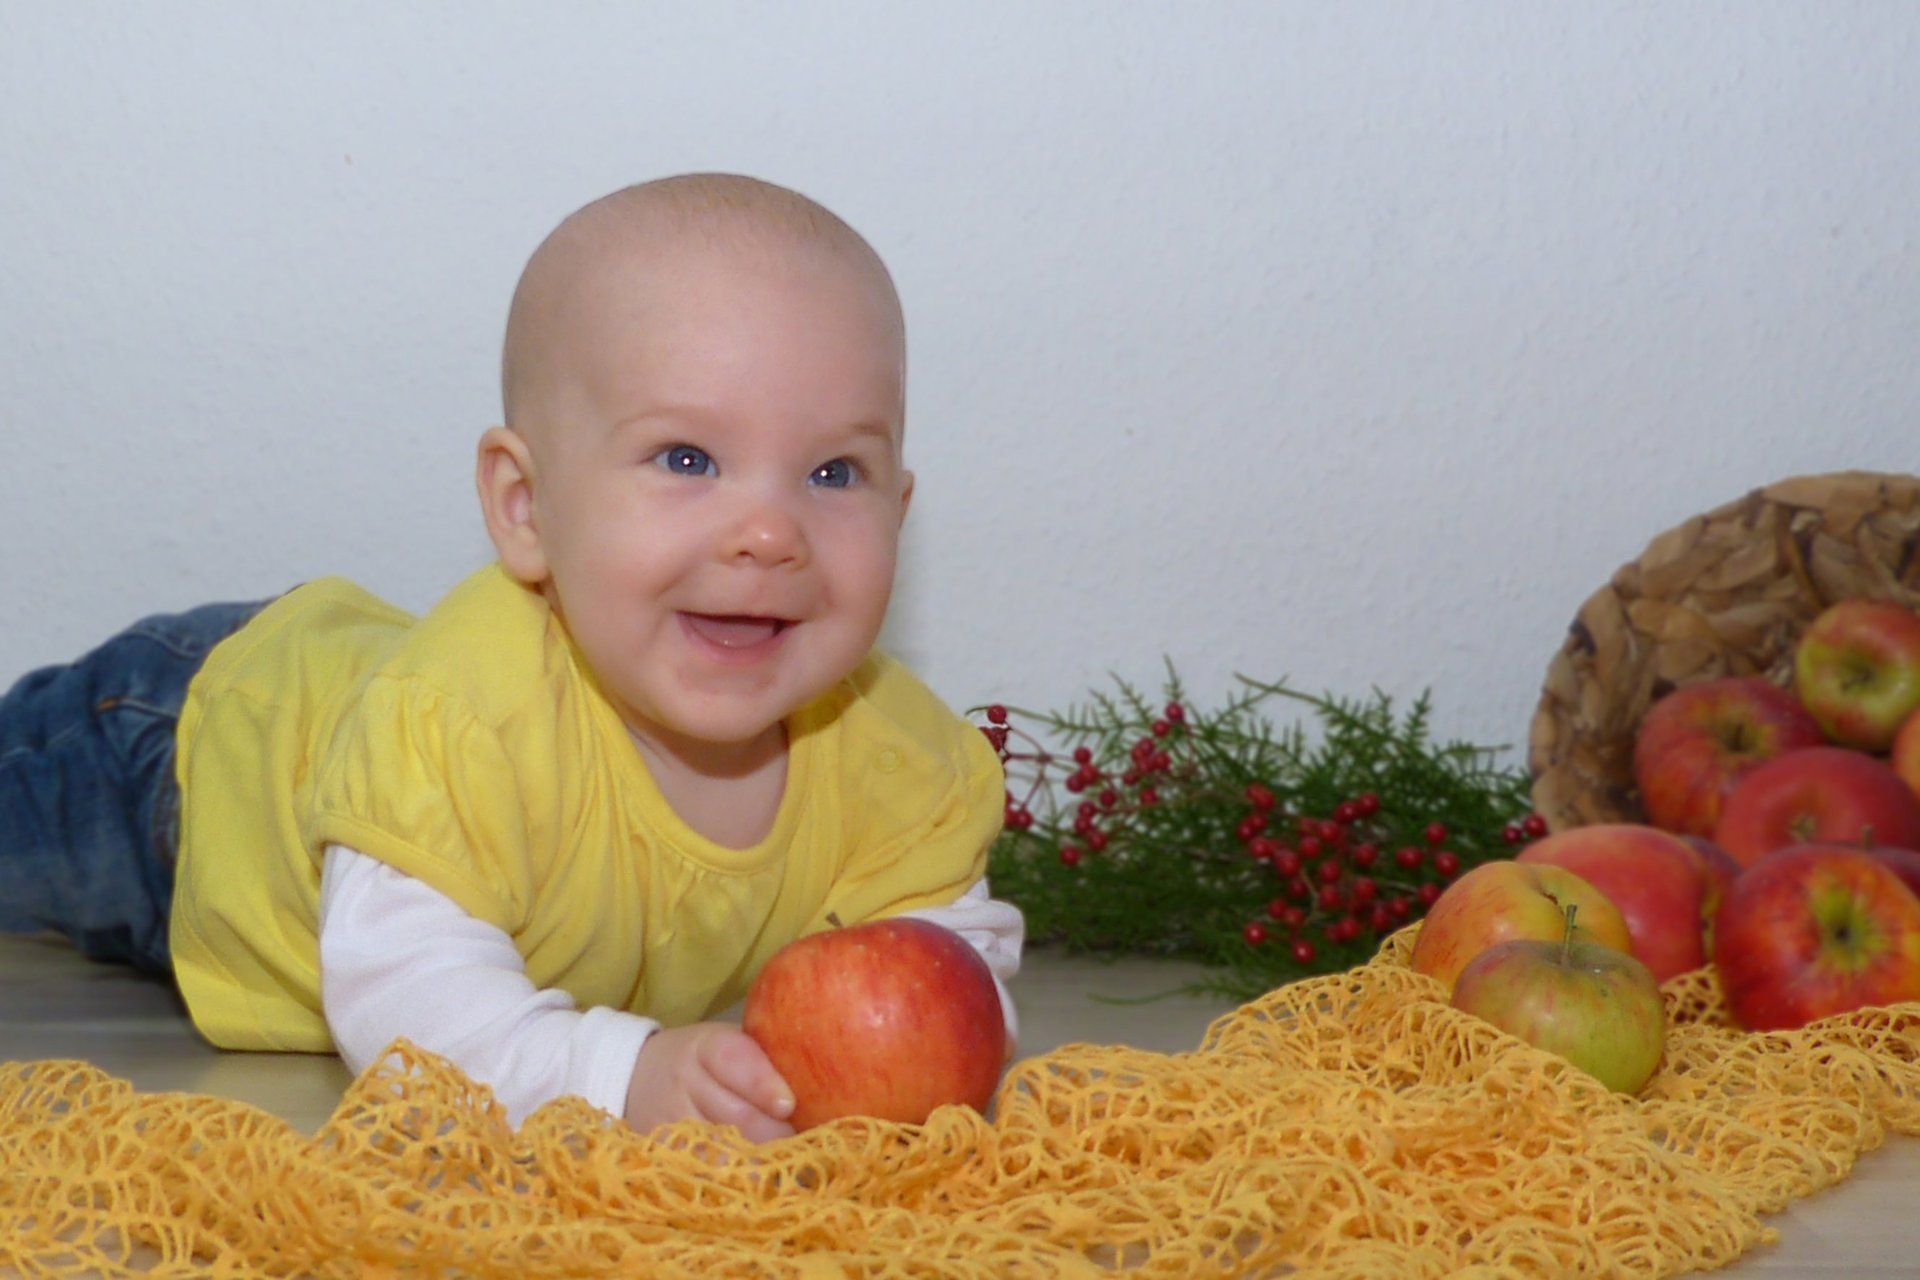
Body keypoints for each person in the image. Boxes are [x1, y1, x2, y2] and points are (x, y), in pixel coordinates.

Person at [0, 173, 1023, 1142]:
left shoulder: (906, 767)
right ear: (526, 508)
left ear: (898, 511)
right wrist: (622, 1076)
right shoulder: (462, 725)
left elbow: (959, 977)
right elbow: (409, 1005)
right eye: (688, 459)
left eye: (834, 472)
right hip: (184, 757)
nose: (770, 531)